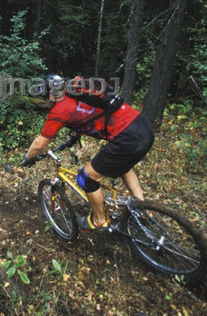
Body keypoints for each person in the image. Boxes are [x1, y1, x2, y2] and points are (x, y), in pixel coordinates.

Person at [21, 74, 155, 230]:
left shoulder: (58, 110)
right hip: (143, 126)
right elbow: (85, 115)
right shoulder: (79, 93)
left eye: (45, 97)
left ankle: (99, 220)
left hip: (128, 138)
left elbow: (39, 145)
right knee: (123, 164)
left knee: (86, 178)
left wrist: (27, 158)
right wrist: (75, 136)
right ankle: (141, 209)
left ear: (50, 95)